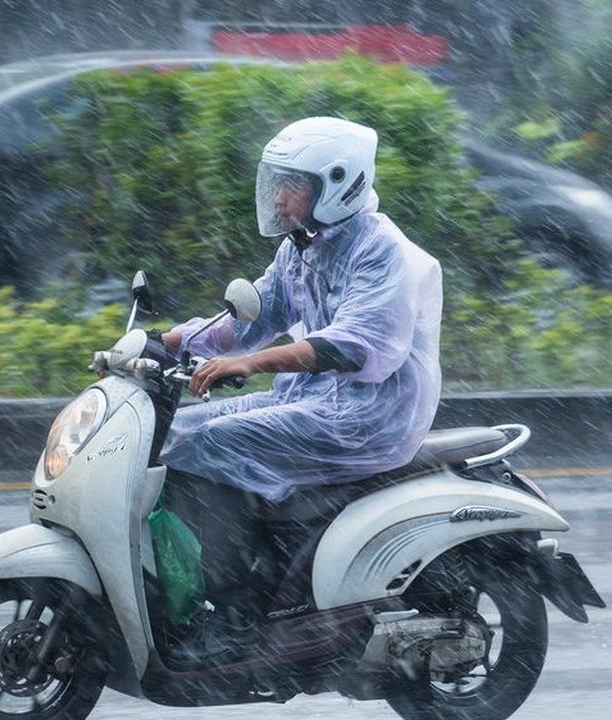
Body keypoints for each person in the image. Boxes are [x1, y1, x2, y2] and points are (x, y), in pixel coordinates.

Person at [157, 116, 444, 662]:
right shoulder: (302, 248)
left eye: (294, 185)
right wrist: (157, 343)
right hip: (315, 401)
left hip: (370, 416)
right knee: (171, 431)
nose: (280, 198)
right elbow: (249, 318)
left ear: (337, 185)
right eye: (277, 182)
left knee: (209, 443)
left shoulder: (382, 251)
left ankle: (234, 611)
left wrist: (252, 363)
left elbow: (356, 346)